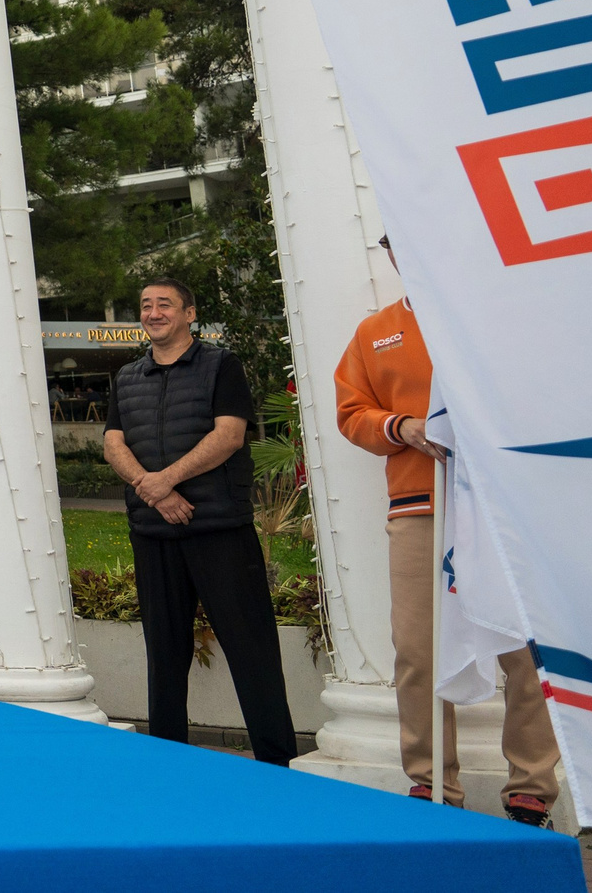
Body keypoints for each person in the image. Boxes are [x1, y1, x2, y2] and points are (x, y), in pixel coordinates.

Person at [335, 235, 560, 824]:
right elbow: (352, 410)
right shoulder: (376, 331)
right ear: (392, 253)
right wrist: (402, 426)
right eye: (400, 242)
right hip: (418, 505)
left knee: (527, 648)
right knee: (416, 650)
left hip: (501, 508)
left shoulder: (500, 317)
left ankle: (531, 787)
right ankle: (432, 784)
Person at [101, 278, 297, 764]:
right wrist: (154, 489)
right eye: (145, 305)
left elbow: (229, 436)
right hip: (153, 534)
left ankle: (278, 766)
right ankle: (170, 764)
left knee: (252, 652)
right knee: (164, 657)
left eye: (164, 304)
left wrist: (163, 480)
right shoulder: (127, 378)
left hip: (219, 532)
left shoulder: (221, 366)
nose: (153, 312)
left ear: (190, 313)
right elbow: (112, 444)